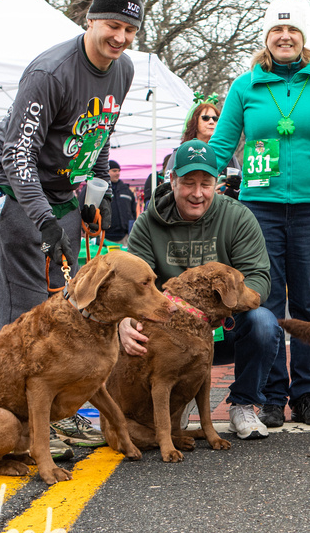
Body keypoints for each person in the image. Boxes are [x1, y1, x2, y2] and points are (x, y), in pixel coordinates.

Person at [0, 0, 144, 455]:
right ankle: (18, 421)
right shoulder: (50, 72)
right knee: (26, 311)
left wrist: (98, 190)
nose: (121, 37)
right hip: (11, 185)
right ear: (90, 20)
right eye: (113, 25)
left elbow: (100, 132)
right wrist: (42, 218)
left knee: (68, 303)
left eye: (130, 29)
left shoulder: (123, 69)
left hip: (62, 189)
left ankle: (58, 412)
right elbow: (17, 153)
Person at [207, 0, 310, 429]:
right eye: (276, 32)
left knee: (307, 303)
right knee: (265, 303)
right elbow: (220, 145)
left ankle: (305, 395)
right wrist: (189, 174)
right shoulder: (245, 86)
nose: (284, 37)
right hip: (259, 211)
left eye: (292, 32)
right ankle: (271, 395)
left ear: (303, 39)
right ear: (267, 39)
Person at [119, 140, 282, 440]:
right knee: (127, 331)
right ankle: (163, 402)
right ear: (172, 180)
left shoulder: (238, 217)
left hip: (224, 327)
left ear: (217, 182)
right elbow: (132, 286)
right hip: (169, 333)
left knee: (263, 323)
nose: (197, 193)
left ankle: (243, 403)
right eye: (188, 183)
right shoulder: (147, 223)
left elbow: (259, 278)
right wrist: (124, 320)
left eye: (205, 183)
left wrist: (221, 309)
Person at [103, 160, 136, 243]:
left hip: (125, 237)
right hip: (105, 237)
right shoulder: (102, 189)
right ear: (107, 172)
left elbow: (133, 211)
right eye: (114, 171)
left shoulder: (126, 190)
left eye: (118, 171)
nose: (117, 173)